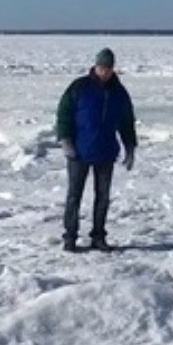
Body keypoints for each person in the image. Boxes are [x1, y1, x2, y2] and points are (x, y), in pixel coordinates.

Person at [55, 47, 137, 252]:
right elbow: (63, 114)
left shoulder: (119, 92)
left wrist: (130, 147)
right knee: (74, 195)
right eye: (101, 67)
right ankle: (70, 236)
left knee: (103, 197)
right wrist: (65, 140)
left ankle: (98, 236)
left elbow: (127, 121)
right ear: (95, 66)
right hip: (79, 152)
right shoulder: (79, 87)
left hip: (105, 152)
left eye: (108, 68)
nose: (104, 71)